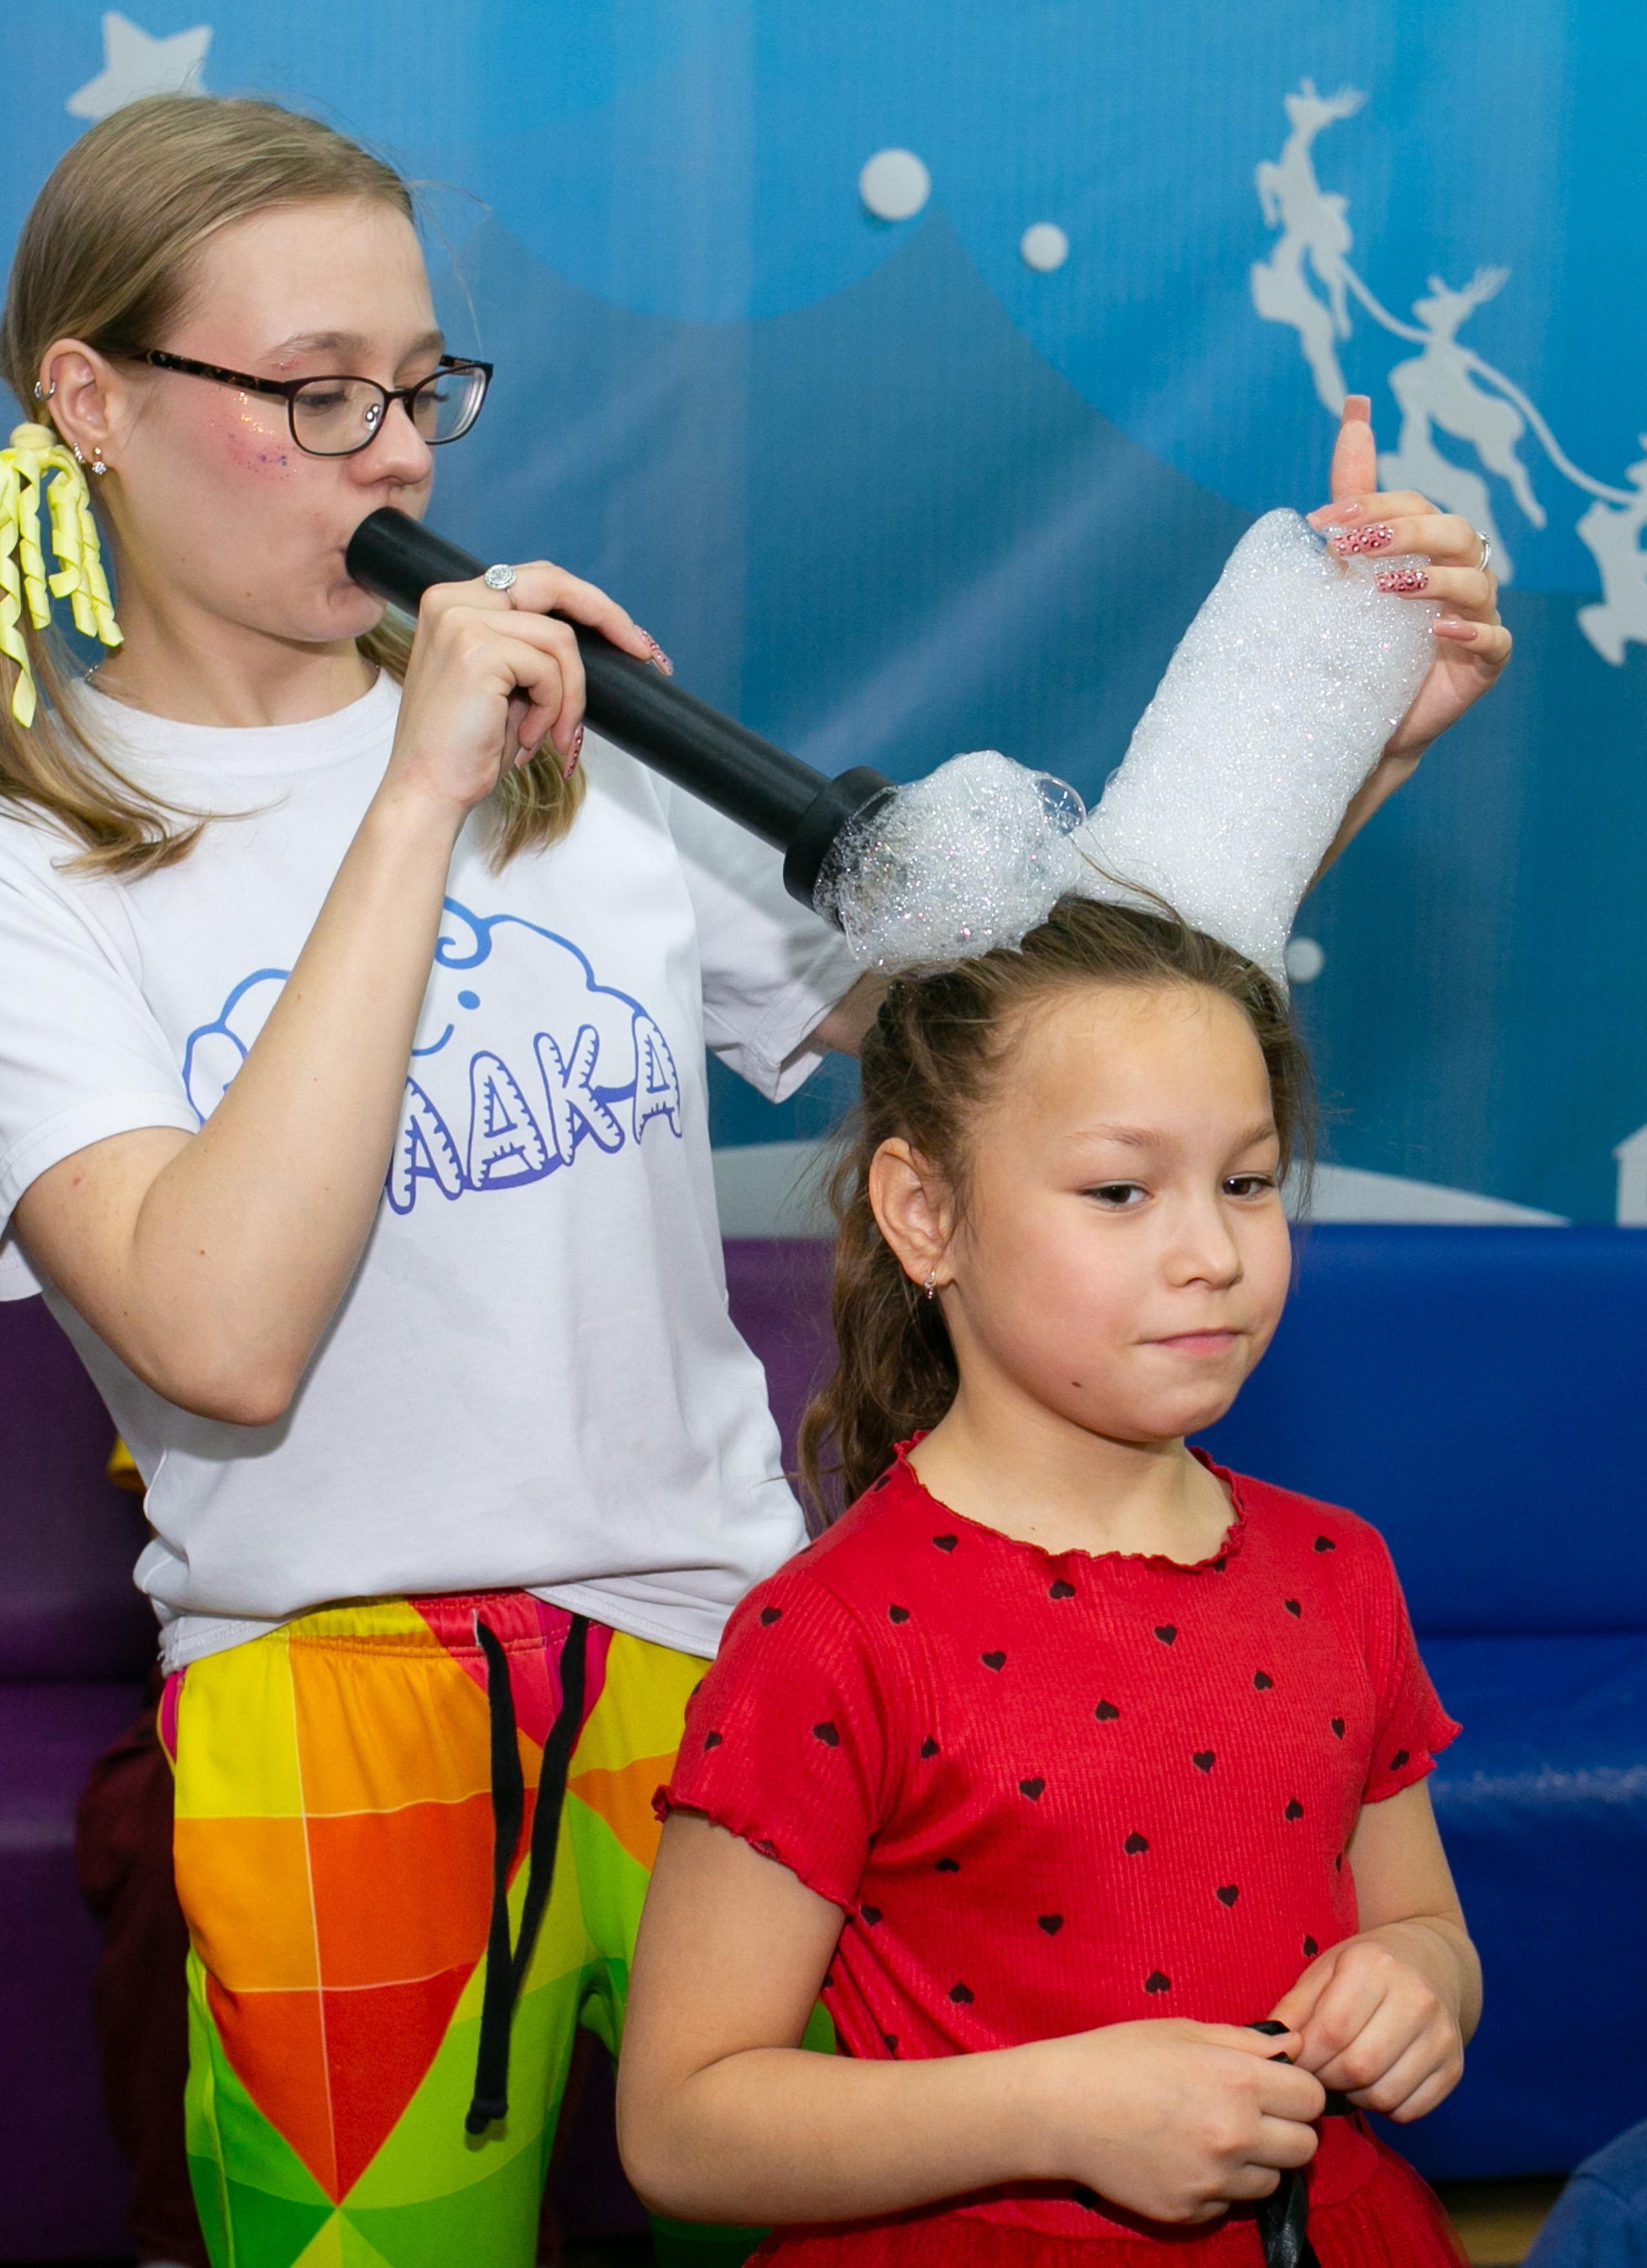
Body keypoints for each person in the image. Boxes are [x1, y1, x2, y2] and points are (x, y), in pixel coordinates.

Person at [0, 89, 1504, 2268]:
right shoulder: (45, 871)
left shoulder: (572, 747)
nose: (400, 460)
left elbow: (1023, 1065)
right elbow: (218, 1330)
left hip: (726, 1664)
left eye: (423, 393)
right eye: (319, 399)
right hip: (322, 1707)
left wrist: (1344, 735)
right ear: (92, 402)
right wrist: (408, 797)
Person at [620, 898, 1479, 2264]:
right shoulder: (827, 1635)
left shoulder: (1337, 1567)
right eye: (1118, 1190)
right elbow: (681, 2120)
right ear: (924, 1211)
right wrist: (1051, 2110)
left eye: (1246, 1181)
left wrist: (1420, 1980)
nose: (1210, 1250)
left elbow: (1423, 1916)